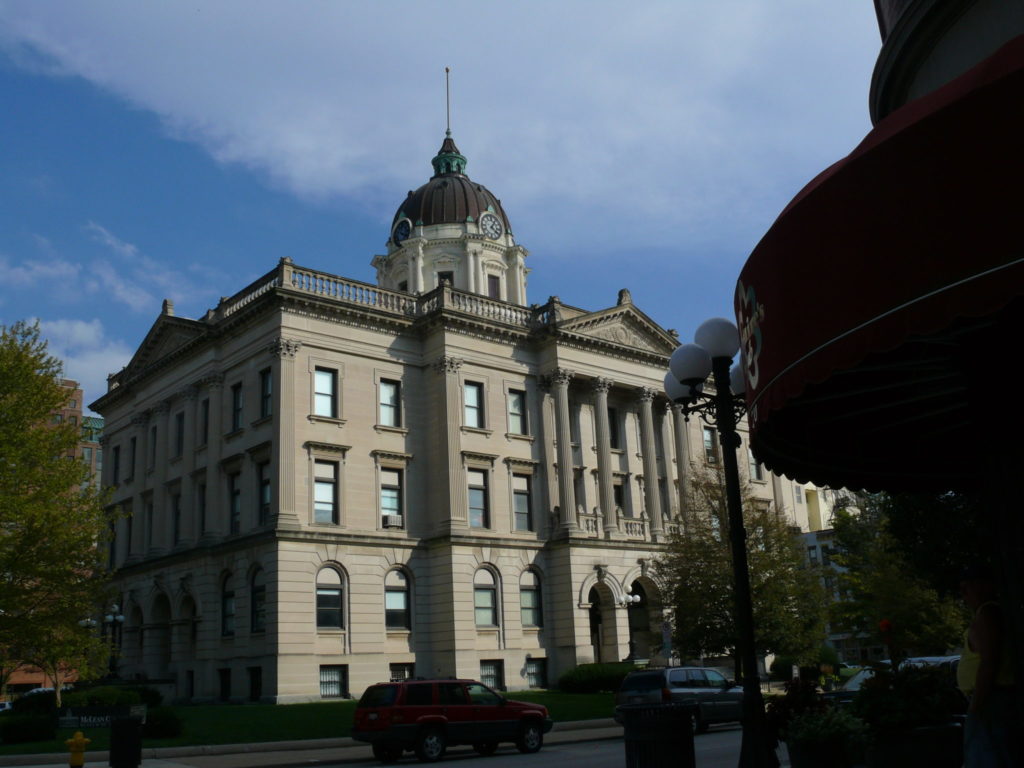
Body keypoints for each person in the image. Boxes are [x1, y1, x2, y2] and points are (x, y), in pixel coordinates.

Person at [957, 564, 1020, 766]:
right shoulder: (986, 613)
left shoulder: (988, 614)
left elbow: (989, 662)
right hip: (991, 699)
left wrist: (977, 705)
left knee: (986, 756)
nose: (964, 594)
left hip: (992, 699)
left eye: (968, 587)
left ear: (984, 586)